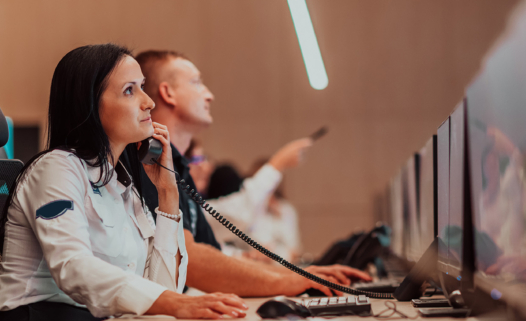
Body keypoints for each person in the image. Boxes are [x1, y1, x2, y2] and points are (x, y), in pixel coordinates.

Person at [0, 44, 247, 321]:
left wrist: (168, 193)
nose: (148, 102)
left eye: (143, 87)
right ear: (90, 105)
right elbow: (72, 267)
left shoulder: (122, 186)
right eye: (129, 90)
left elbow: (162, 289)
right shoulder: (56, 168)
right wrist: (175, 304)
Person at [134, 49, 371, 296]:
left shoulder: (179, 168)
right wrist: (288, 282)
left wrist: (299, 274)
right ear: (167, 93)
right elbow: (188, 258)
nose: (210, 95)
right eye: (196, 82)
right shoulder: (150, 164)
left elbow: (211, 253)